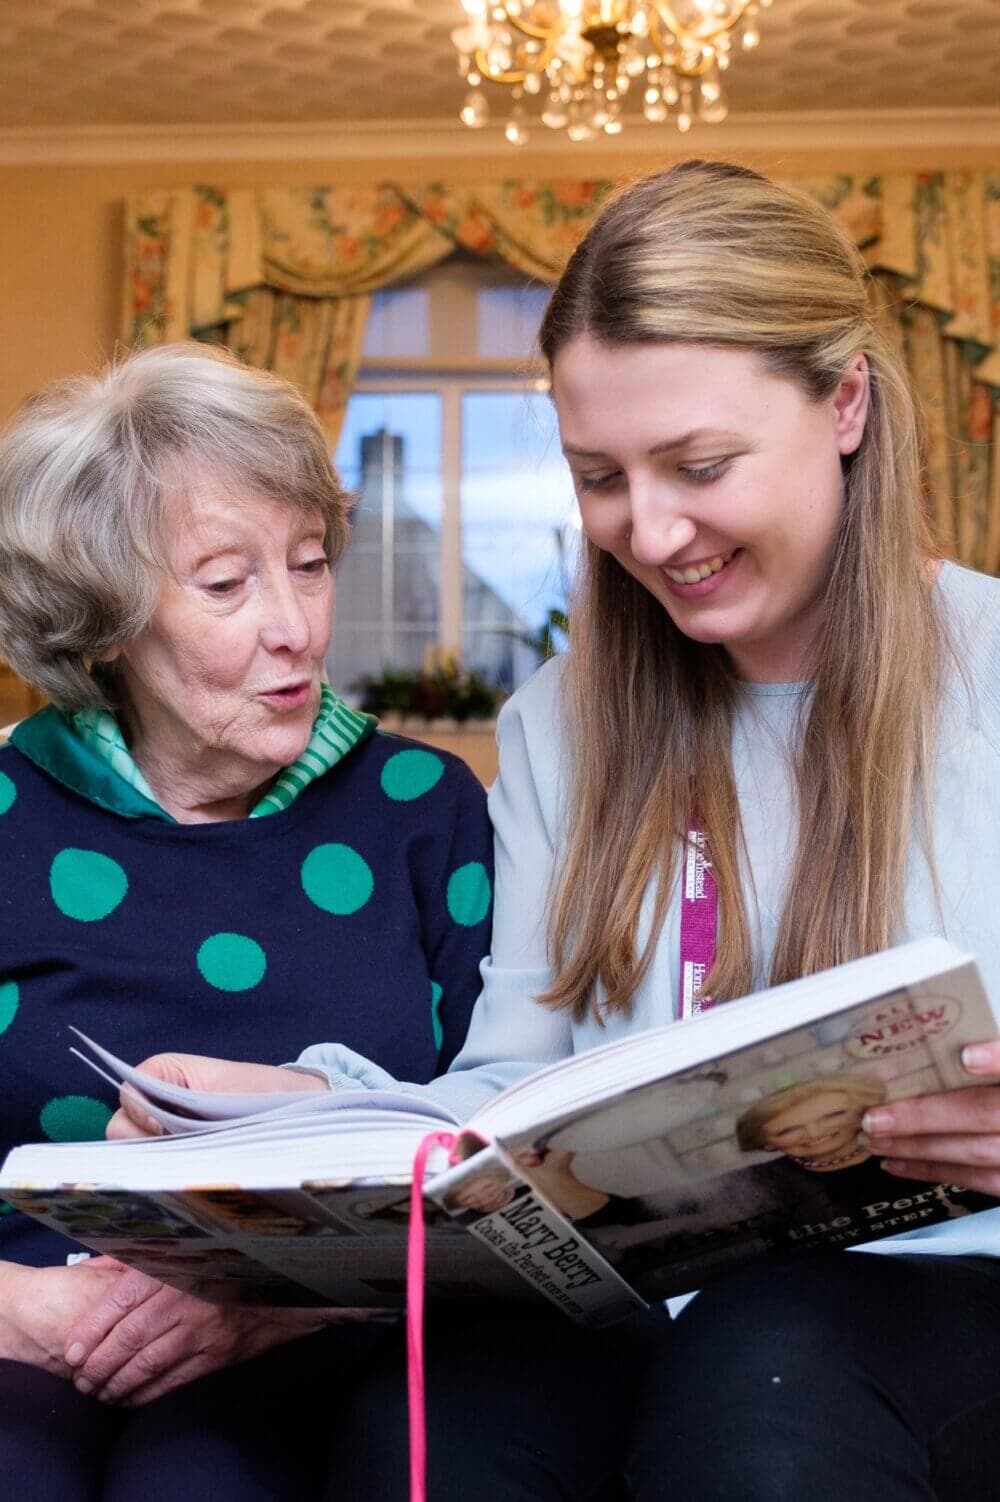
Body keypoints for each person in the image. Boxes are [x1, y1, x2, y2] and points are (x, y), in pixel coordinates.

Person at [104, 160, 1000, 1502]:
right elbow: (512, 1095)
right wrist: (309, 1113)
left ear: (848, 402)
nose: (650, 530)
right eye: (599, 476)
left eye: (699, 465)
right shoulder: (559, 725)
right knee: (435, 1415)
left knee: (770, 1366)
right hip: (649, 1301)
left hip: (938, 1298)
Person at [0, 342, 496, 1501]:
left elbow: (502, 1150)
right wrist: (32, 1311)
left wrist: (275, 1298)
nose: (297, 627)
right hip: (28, 1316)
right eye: (227, 584)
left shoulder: (424, 811)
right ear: (105, 620)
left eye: (311, 564)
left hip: (332, 1331)